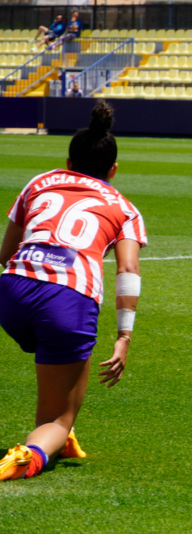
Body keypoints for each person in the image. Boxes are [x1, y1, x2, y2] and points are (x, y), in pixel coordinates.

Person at [0, 101, 146, 481]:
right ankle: (29, 455)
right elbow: (128, 271)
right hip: (67, 300)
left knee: (52, 368)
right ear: (113, 169)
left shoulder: (40, 182)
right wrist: (124, 337)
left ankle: (59, 440)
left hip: (11, 291)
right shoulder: (124, 207)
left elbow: (4, 253)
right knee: (59, 417)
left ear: (67, 160)